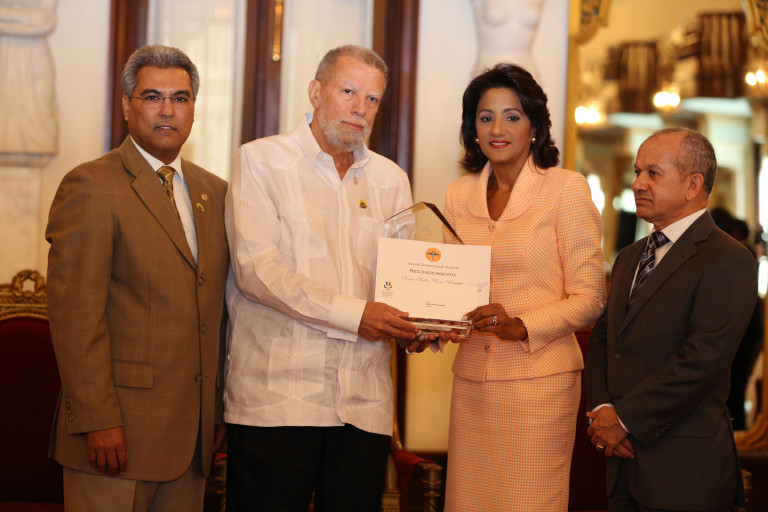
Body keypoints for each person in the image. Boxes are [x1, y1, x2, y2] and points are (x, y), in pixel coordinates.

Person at [224, 44, 418, 512]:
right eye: (348, 91)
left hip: (363, 404)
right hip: (277, 400)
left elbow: (403, 283)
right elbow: (257, 272)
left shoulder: (391, 180)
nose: (360, 108)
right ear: (315, 92)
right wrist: (357, 316)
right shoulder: (260, 161)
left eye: (372, 99)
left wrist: (418, 324)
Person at [46, 45, 230, 512]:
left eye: (181, 98)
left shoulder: (216, 192)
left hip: (192, 439)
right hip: (115, 437)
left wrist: (216, 408)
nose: (168, 110)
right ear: (127, 106)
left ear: (194, 109)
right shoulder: (91, 186)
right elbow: (76, 319)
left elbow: (218, 310)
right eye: (152, 97)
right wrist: (97, 420)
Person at [441, 63, 606, 511]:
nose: (497, 129)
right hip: (473, 380)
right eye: (485, 117)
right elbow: (451, 286)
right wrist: (429, 324)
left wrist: (522, 325)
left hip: (540, 383)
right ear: (472, 128)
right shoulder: (458, 195)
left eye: (512, 116)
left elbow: (591, 298)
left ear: (534, 126)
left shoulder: (566, 190)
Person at [585, 128, 757, 511]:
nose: (637, 183)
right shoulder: (630, 256)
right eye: (637, 172)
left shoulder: (728, 258)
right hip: (620, 459)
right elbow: (603, 339)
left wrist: (624, 420)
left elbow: (702, 361)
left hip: (683, 467)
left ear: (693, 184)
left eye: (653, 173)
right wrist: (602, 413)